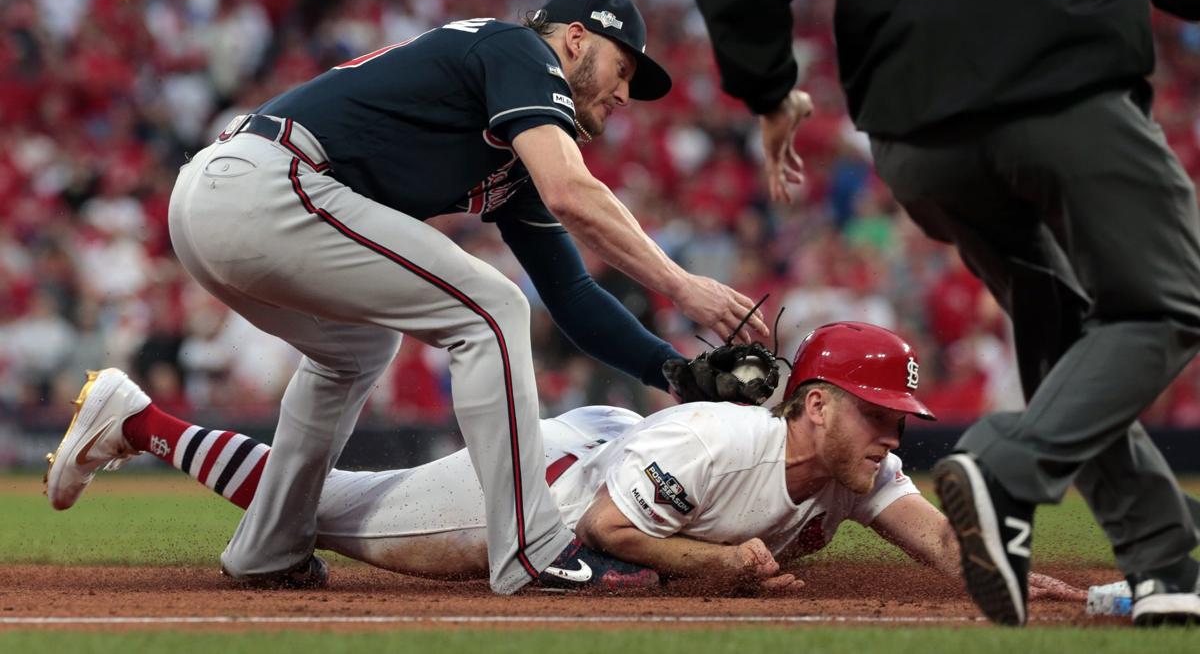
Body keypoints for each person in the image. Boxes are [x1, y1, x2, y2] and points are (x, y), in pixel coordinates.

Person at [54, 0, 770, 596]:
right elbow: (573, 192)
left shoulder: (513, 154)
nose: (624, 94)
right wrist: (683, 286)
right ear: (575, 41)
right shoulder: (519, 51)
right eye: (622, 69)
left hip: (233, 199)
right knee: (492, 308)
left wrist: (670, 370)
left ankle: (268, 547)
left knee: (357, 348)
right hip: (269, 182)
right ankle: (530, 548)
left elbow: (573, 293)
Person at [691, 0, 1200, 626]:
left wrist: (767, 85)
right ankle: (1002, 470)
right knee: (1169, 300)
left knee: (1058, 323)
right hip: (1062, 78)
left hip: (914, 129)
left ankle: (1164, 561)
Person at [44, 323, 1083, 600]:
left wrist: (1035, 584)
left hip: (617, 451)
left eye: (900, 416)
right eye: (877, 413)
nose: (896, 433)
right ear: (811, 407)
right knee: (326, 512)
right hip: (560, 482)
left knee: (318, 505)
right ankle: (142, 421)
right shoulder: (731, 438)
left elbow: (948, 539)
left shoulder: (856, 471)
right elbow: (602, 532)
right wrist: (715, 566)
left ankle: (143, 425)